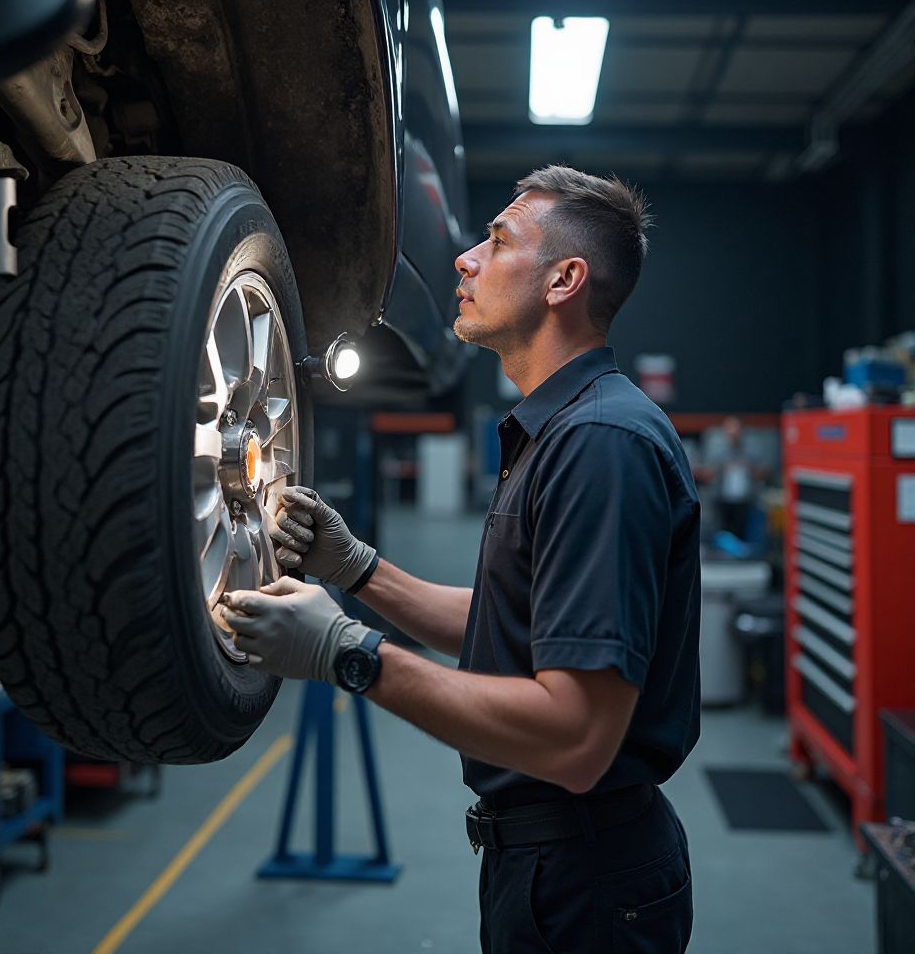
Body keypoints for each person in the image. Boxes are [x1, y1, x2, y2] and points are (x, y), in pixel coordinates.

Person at [222, 165, 701, 953]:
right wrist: (358, 570)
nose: (465, 258)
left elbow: (576, 739)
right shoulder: (562, 431)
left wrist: (350, 655)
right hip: (547, 861)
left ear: (564, 280)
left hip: (587, 881)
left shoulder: (600, 444)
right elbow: (518, 626)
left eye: (499, 240)